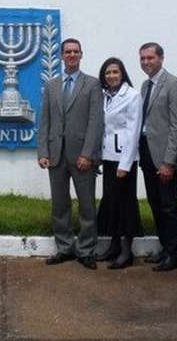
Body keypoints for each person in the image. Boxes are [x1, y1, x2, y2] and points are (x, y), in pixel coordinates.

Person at [37, 38, 104, 270]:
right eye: (68, 52)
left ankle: (86, 251)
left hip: (81, 156)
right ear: (61, 55)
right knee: (60, 205)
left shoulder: (93, 84)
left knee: (87, 205)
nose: (72, 55)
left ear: (81, 55)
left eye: (76, 51)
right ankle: (64, 247)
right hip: (55, 155)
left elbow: (96, 122)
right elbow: (44, 120)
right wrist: (43, 151)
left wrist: (88, 153)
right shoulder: (51, 85)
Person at [138, 42, 177, 272]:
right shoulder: (145, 85)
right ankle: (165, 248)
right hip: (148, 152)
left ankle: (175, 254)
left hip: (166, 157)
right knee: (156, 203)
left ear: (161, 58)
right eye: (143, 59)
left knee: (168, 205)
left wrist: (169, 162)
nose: (146, 62)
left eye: (150, 58)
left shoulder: (174, 85)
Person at [96, 57, 143, 270]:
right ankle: (114, 246)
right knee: (111, 202)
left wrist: (125, 164)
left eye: (115, 72)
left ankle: (127, 250)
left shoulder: (132, 96)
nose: (111, 76)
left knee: (126, 204)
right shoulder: (104, 96)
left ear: (122, 73)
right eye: (108, 73)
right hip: (108, 158)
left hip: (124, 159)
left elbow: (134, 132)